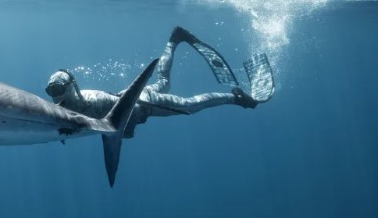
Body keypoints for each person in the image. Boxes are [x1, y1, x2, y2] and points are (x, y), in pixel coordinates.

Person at [45, 27, 274, 138]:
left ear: (71, 86)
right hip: (130, 94)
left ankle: (236, 97)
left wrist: (128, 129)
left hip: (144, 103)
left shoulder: (93, 100)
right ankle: (174, 40)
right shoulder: (67, 106)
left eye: (57, 89)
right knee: (163, 81)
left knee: (190, 105)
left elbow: (130, 110)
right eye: (50, 91)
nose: (54, 96)